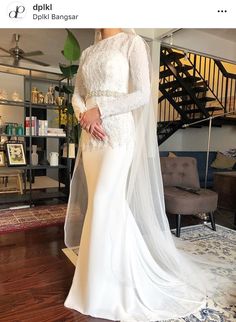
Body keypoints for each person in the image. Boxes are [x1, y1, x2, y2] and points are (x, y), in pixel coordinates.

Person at [64, 28, 208, 321]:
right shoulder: (87, 53)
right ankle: (105, 278)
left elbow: (143, 94)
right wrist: (84, 115)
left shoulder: (133, 43)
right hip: (91, 136)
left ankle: (105, 287)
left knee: (104, 202)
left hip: (117, 132)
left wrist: (100, 110)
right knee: (105, 205)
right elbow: (78, 94)